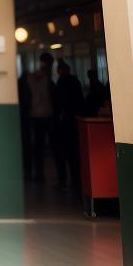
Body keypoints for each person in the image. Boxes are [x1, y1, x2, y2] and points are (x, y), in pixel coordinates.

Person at [54, 60, 84, 191]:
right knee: (71, 154)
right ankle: (74, 179)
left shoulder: (64, 82)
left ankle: (68, 179)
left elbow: (62, 102)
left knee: (67, 153)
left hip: (67, 123)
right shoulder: (70, 81)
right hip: (69, 122)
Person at [28, 52, 56, 183]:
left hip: (39, 115)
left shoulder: (35, 77)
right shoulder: (41, 78)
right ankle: (41, 174)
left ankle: (40, 174)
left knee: (40, 146)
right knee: (46, 146)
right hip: (44, 115)